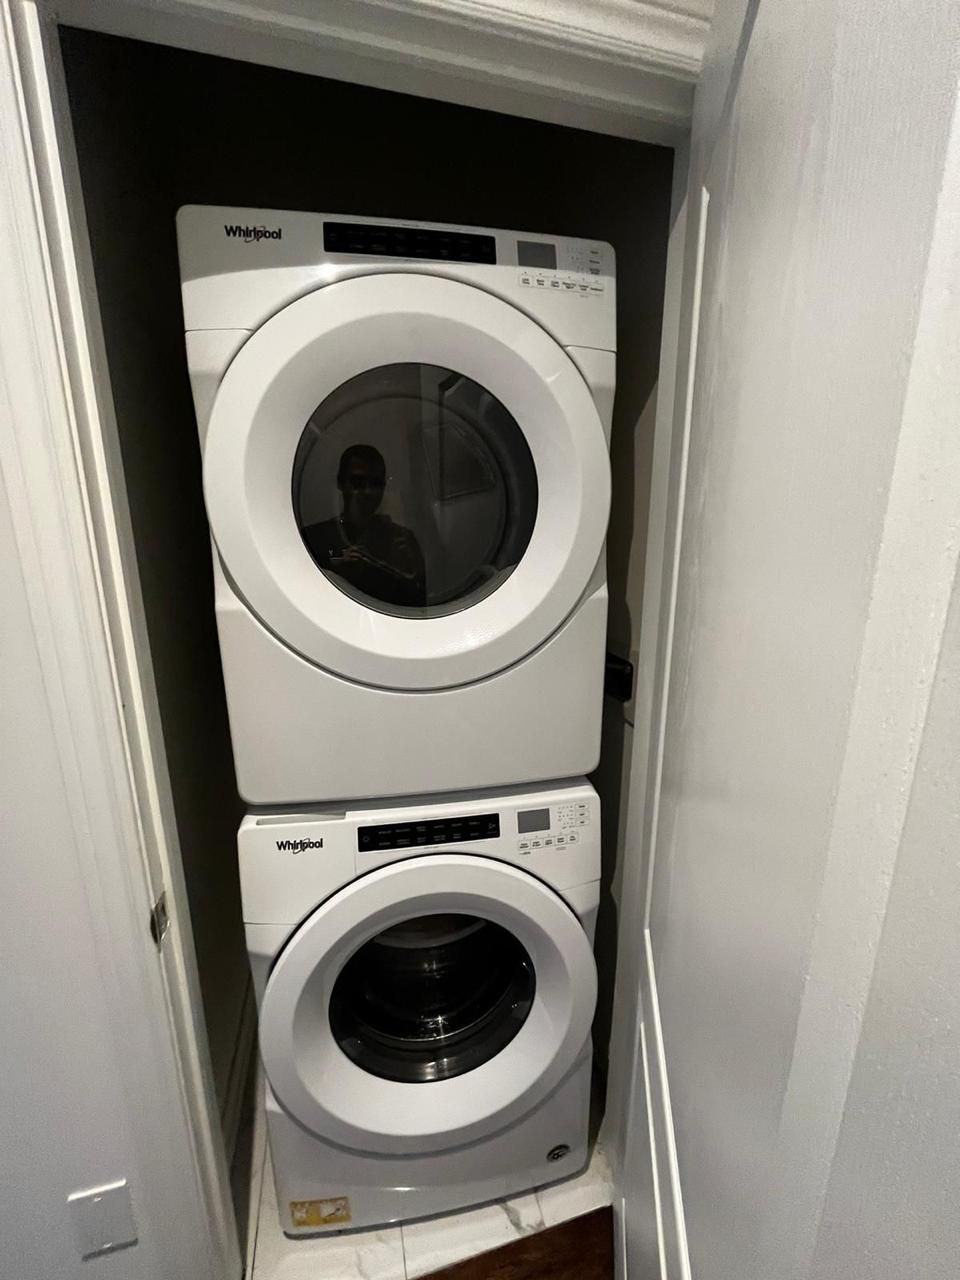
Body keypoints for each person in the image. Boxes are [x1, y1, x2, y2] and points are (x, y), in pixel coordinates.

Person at [301, 444, 427, 608]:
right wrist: (333, 571)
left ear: (384, 487)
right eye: (357, 482)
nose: (367, 491)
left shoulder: (402, 541)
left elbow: (418, 606)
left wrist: (401, 570)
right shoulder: (314, 539)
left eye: (375, 483)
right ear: (341, 483)